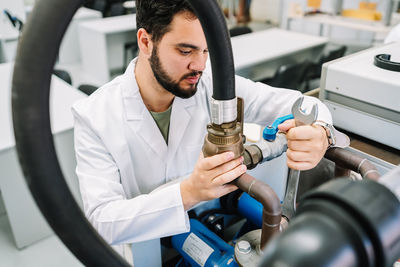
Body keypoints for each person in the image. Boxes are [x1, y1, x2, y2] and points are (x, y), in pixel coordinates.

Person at [72, 0, 333, 261]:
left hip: (212, 226)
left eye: (206, 51)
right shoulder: (95, 116)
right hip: (142, 251)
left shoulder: (211, 87)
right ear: (145, 42)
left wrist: (320, 130)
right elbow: (102, 221)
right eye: (186, 51)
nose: (199, 65)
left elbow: (303, 103)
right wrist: (188, 193)